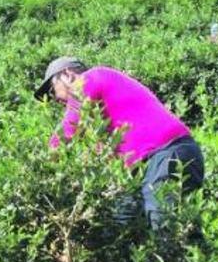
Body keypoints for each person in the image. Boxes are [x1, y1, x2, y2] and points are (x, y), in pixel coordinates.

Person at [34, 57, 204, 231]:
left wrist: (41, 166)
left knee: (166, 228)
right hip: (146, 166)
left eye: (51, 90)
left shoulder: (91, 77)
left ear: (67, 75)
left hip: (166, 152)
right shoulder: (100, 121)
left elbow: (68, 129)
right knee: (119, 229)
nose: (53, 98)